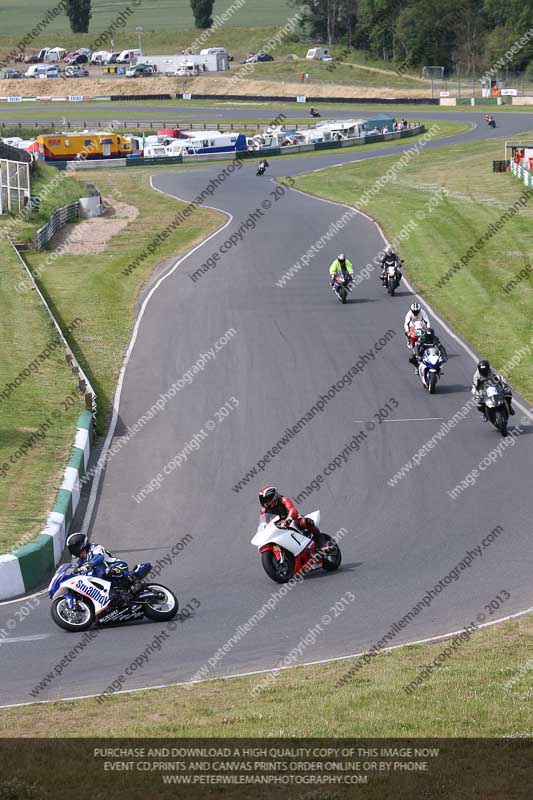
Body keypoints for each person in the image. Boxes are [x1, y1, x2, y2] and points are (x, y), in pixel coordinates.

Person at [66, 532, 133, 604]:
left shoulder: (96, 548)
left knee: (107, 570)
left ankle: (131, 580)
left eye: (72, 548)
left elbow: (99, 557)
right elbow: (77, 572)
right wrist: (71, 575)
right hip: (105, 580)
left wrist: (89, 564)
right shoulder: (81, 561)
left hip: (118, 566)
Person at [258, 486, 330, 552]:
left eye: (269, 499)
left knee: (306, 522)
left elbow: (292, 510)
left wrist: (288, 520)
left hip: (292, 520)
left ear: (274, 496)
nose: (268, 501)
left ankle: (321, 541)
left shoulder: (283, 499)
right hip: (278, 528)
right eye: (265, 500)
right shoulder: (264, 510)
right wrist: (262, 530)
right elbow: (264, 522)